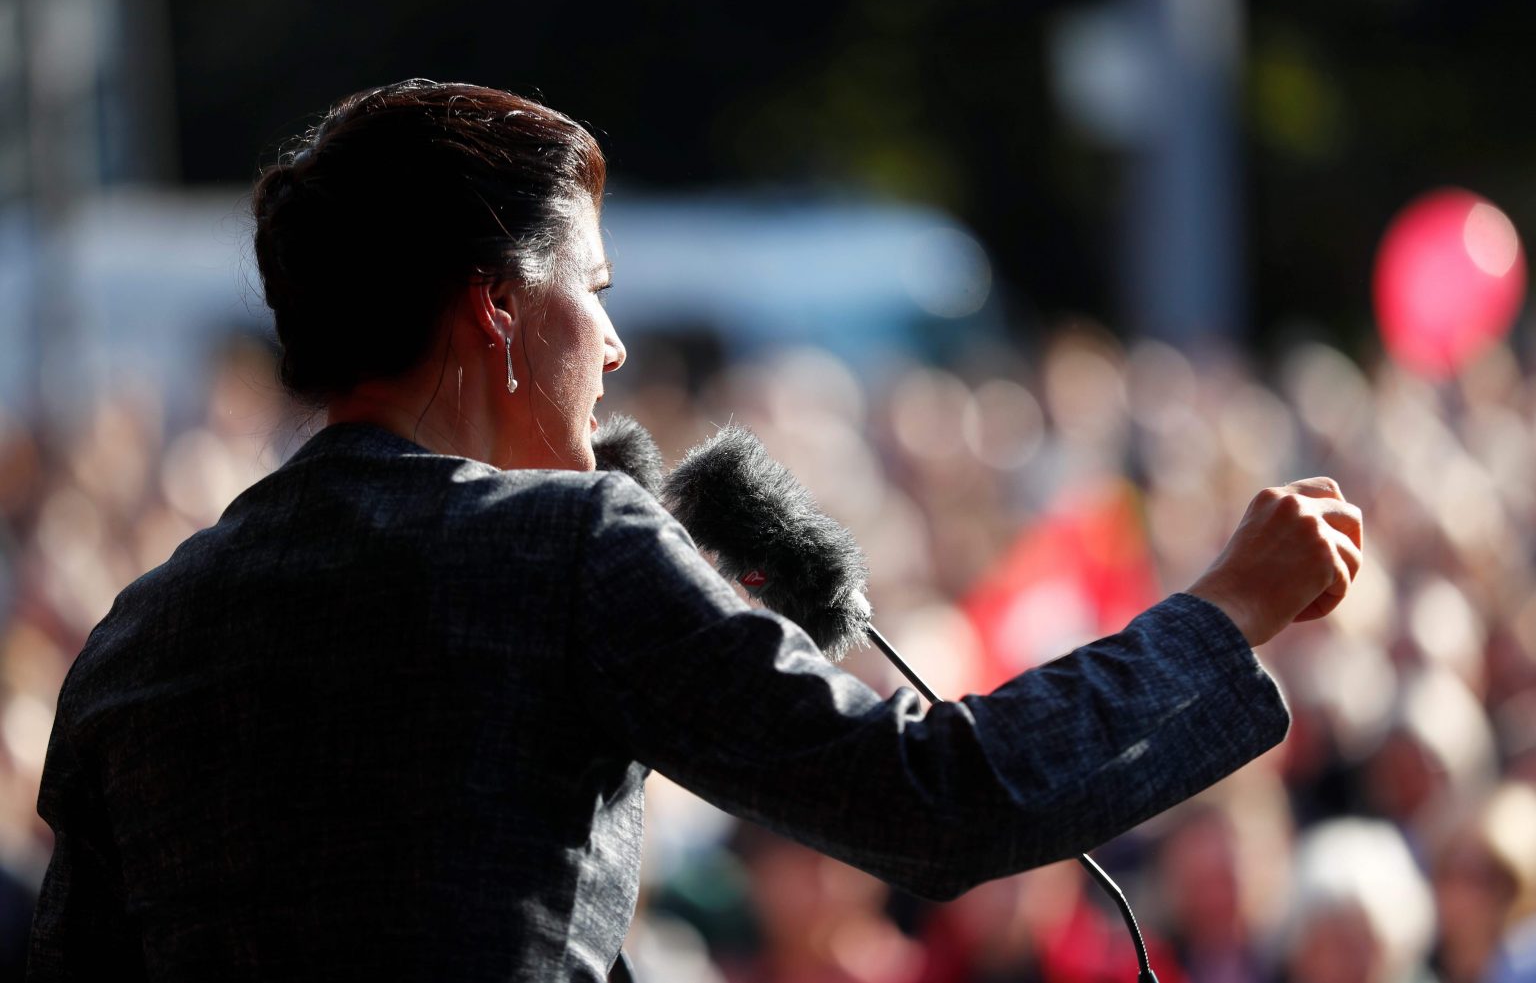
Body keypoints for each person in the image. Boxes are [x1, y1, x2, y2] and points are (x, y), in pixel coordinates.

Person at [26, 79, 1363, 981]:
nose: (612, 346)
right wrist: (1222, 612)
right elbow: (934, 802)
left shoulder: (134, 633)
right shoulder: (566, 548)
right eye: (592, 291)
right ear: (495, 310)